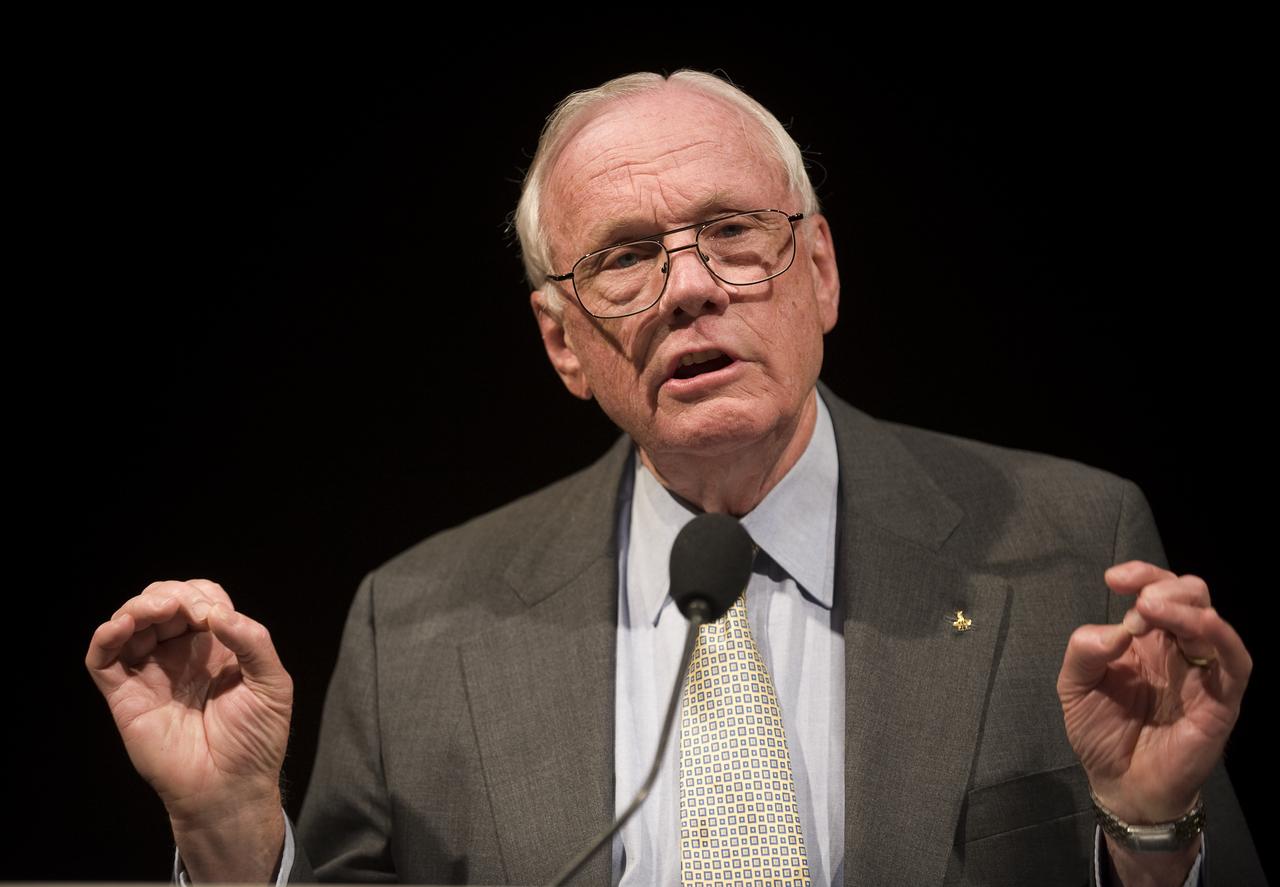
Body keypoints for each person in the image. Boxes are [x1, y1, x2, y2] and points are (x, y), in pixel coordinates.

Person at [85, 69, 1262, 885]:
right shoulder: (418, 624)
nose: (689, 287)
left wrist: (1149, 831)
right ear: (562, 344)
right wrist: (231, 833)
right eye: (627, 258)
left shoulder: (1064, 543)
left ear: (819, 272)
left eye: (731, 233)